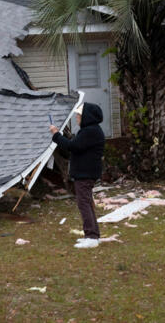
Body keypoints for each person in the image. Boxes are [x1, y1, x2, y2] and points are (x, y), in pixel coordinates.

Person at [49, 102, 105, 249]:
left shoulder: (90, 132)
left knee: (84, 203)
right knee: (86, 202)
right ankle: (92, 234)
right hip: (86, 173)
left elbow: (72, 146)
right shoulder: (90, 130)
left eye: (79, 115)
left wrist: (56, 135)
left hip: (86, 174)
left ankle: (92, 237)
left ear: (87, 116)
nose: (77, 117)